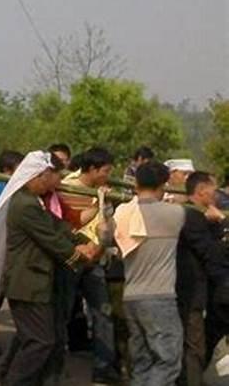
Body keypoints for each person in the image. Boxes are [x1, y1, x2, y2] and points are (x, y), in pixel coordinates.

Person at [0, 153, 96, 386]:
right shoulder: (25, 204)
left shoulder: (36, 201)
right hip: (28, 283)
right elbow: (51, 238)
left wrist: (82, 239)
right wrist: (79, 253)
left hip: (37, 282)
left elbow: (59, 227)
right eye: (54, 176)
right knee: (40, 342)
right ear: (41, 175)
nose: (57, 181)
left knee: (35, 340)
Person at [114, 161, 185, 385]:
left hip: (131, 296)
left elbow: (106, 237)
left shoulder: (122, 214)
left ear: (136, 183)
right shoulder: (174, 213)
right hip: (159, 297)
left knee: (141, 361)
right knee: (168, 360)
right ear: (163, 184)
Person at [59, 147, 121, 384]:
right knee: (63, 310)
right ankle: (51, 361)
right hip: (73, 257)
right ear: (93, 169)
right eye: (105, 170)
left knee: (103, 311)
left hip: (96, 259)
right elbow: (68, 223)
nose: (108, 174)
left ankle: (103, 366)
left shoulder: (105, 192)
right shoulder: (67, 186)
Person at [176, 172, 229, 386]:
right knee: (194, 346)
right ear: (201, 191)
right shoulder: (191, 216)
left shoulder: (202, 217)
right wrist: (224, 227)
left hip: (207, 290)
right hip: (192, 291)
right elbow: (211, 253)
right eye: (213, 190)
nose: (216, 195)